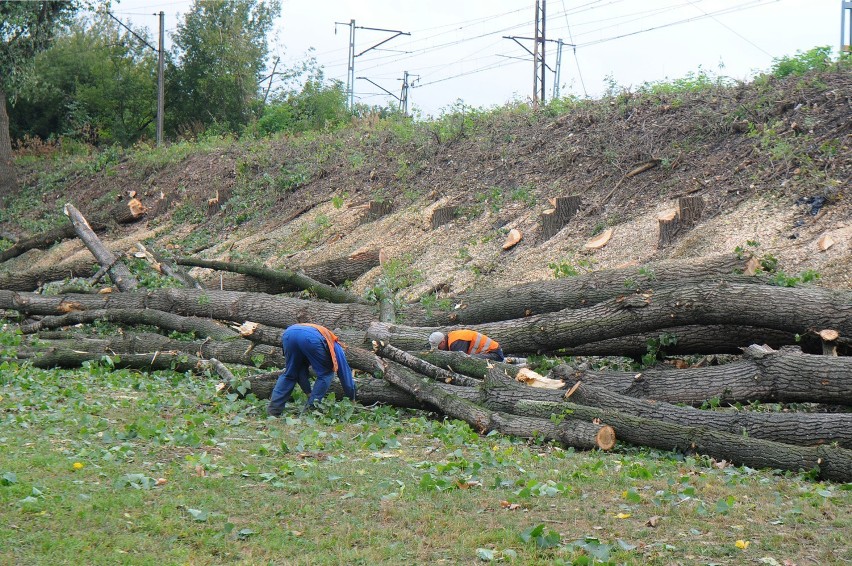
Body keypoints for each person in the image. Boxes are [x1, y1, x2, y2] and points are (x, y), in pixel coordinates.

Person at [268, 323, 356, 417]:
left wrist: (308, 392)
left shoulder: (323, 337)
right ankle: (310, 411)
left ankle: (273, 411)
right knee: (326, 373)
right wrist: (352, 397)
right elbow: (344, 373)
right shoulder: (336, 346)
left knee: (291, 373)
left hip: (289, 333)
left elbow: (301, 372)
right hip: (310, 337)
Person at [428, 329, 505, 362]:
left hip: (495, 354)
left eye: (438, 347)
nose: (439, 349)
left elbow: (461, 361)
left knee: (468, 360)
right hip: (488, 353)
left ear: (442, 342)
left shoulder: (456, 343)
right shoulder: (451, 337)